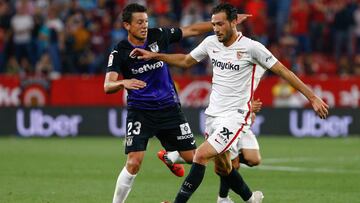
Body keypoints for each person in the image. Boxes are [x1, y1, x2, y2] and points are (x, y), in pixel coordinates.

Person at [131, 3, 329, 203]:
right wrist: (156, 56)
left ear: (234, 22)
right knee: (223, 168)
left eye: (220, 24)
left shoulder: (252, 48)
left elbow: (284, 71)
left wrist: (312, 97)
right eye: (214, 24)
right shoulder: (211, 43)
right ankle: (251, 199)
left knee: (200, 155)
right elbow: (185, 61)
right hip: (213, 115)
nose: (216, 29)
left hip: (235, 116)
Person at [103, 3, 250, 203]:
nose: (144, 26)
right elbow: (107, 85)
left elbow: (192, 30)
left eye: (146, 21)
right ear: (127, 25)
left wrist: (221, 23)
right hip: (140, 111)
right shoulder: (119, 51)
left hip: (169, 109)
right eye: (139, 22)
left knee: (195, 158)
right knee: (134, 162)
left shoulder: (159, 35)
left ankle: (172, 156)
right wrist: (123, 82)